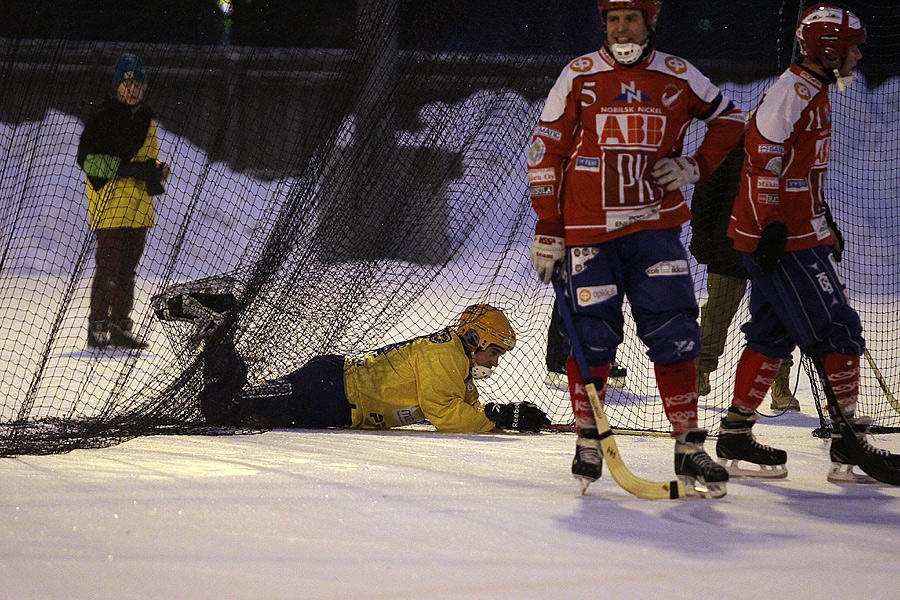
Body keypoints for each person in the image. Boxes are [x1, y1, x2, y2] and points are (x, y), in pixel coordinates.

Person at [528, 0, 744, 496]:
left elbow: (731, 121)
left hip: (654, 228)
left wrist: (695, 166)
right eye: (612, 19)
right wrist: (548, 225)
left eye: (630, 18)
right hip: (588, 230)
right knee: (591, 337)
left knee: (675, 332)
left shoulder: (677, 73)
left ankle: (688, 443)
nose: (620, 28)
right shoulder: (579, 74)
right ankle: (588, 438)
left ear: (650, 22)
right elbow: (547, 148)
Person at [717, 5, 888, 483]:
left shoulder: (815, 89)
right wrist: (772, 223)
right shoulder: (793, 90)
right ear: (829, 49)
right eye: (853, 48)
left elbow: (799, 171)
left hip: (797, 232)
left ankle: (734, 433)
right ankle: (849, 442)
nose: (857, 56)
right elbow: (761, 157)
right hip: (782, 241)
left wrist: (822, 223)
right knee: (838, 330)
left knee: (773, 332)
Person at [190, 302, 550, 434]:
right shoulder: (446, 356)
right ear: (475, 338)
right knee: (224, 409)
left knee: (237, 408)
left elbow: (461, 405)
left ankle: (220, 330)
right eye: (495, 352)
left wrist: (502, 413)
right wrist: (499, 418)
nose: (496, 361)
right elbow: (447, 415)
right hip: (329, 392)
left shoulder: (455, 359)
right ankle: (219, 323)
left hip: (332, 393)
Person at [690, 137, 797, 411]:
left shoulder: (791, 150)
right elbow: (707, 193)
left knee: (777, 317)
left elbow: (802, 195)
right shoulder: (732, 148)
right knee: (716, 313)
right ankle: (699, 372)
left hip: (773, 247)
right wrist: (701, 236)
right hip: (730, 244)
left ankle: (778, 381)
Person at [77, 53, 170, 350]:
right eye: (129, 84)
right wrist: (131, 169)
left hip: (139, 207)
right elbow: (89, 162)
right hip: (110, 206)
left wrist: (156, 171)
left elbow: (147, 159)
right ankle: (98, 325)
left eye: (139, 85)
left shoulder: (147, 121)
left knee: (127, 270)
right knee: (109, 267)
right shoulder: (103, 117)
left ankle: (119, 324)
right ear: (118, 86)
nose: (134, 91)